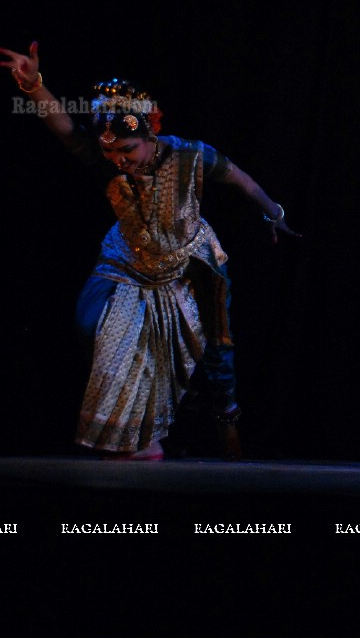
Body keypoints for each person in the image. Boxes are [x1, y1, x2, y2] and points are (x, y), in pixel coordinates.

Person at [2, 41, 300, 461]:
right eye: (109, 151)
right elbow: (65, 127)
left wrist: (274, 214)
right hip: (128, 256)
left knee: (217, 354)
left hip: (187, 263)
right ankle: (138, 434)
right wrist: (33, 85)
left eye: (127, 150)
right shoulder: (105, 157)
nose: (119, 160)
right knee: (92, 324)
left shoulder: (190, 154)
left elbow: (241, 180)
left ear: (150, 131)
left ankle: (227, 432)